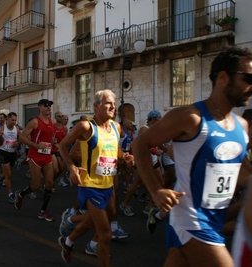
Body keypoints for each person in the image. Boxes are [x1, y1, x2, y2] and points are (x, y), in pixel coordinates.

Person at [132, 46, 252, 267]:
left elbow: (242, 172)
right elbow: (140, 143)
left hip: (215, 221)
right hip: (191, 221)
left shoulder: (242, 127)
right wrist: (156, 189)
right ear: (223, 78)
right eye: (248, 78)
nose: (251, 86)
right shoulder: (191, 117)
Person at [57, 89, 134, 266]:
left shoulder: (116, 127)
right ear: (96, 105)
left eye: (114, 104)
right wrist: (71, 167)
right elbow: (62, 146)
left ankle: (67, 242)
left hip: (108, 185)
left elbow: (115, 150)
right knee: (105, 234)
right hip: (90, 185)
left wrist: (125, 157)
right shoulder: (86, 127)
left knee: (90, 223)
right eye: (108, 103)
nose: (113, 107)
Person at [14, 99, 56, 221]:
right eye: (46, 106)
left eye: (49, 106)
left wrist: (54, 143)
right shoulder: (34, 122)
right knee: (36, 185)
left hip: (47, 155)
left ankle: (43, 211)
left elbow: (50, 137)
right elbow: (22, 138)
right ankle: (20, 194)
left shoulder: (51, 122)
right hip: (35, 156)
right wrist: (36, 145)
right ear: (39, 107)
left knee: (49, 183)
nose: (48, 108)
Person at [0, 112, 20, 203]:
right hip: (3, 152)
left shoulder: (16, 129)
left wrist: (18, 143)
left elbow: (20, 138)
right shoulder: (2, 128)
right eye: (12, 120)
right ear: (7, 119)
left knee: (7, 173)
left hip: (12, 153)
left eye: (15, 120)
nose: (14, 122)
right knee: (8, 175)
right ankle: (10, 194)